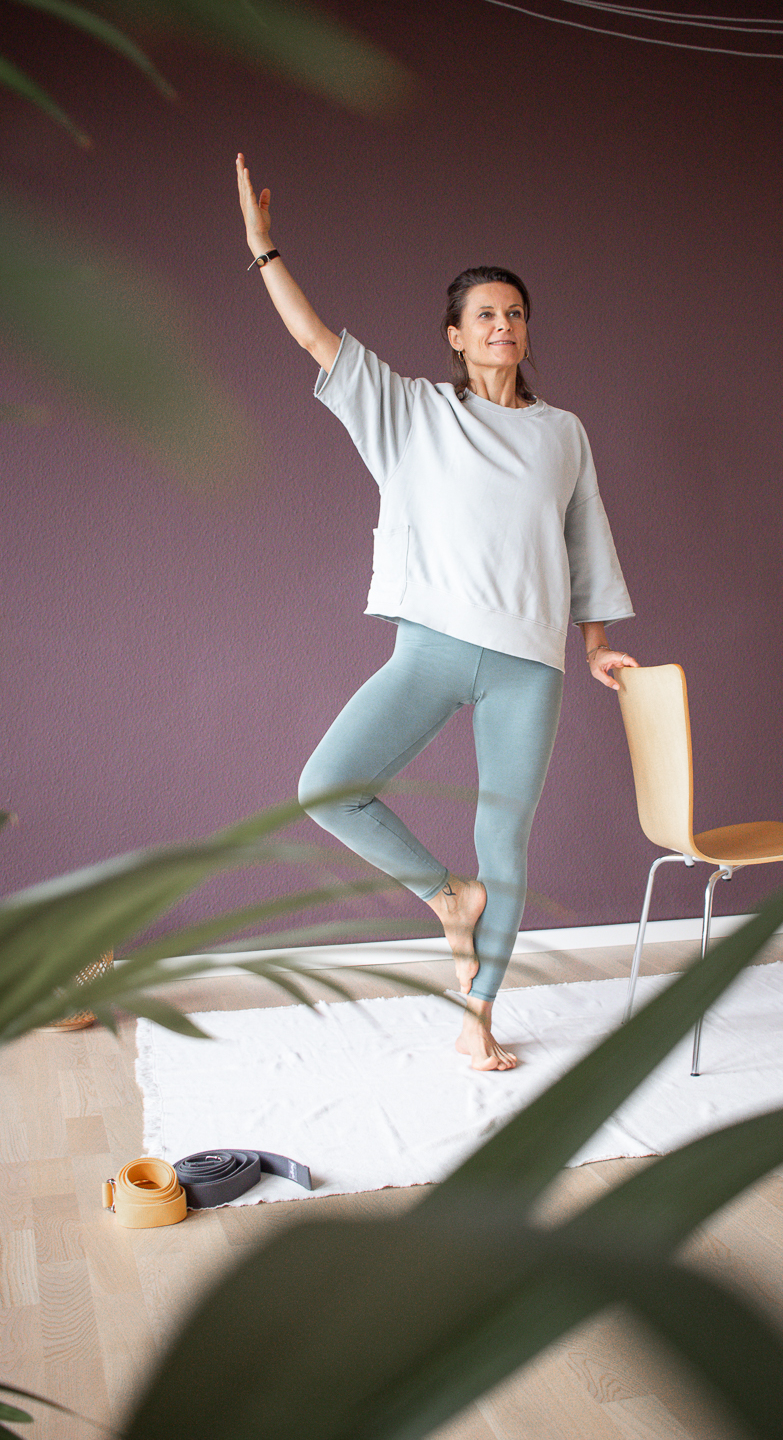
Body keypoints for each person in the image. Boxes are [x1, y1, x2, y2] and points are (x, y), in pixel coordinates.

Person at [236, 152, 637, 1070]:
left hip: (528, 666)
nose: (504, 326)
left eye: (515, 314)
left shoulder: (563, 433)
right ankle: (446, 896)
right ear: (455, 335)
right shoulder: (410, 413)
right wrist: (264, 249)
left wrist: (597, 645)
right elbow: (314, 338)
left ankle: (478, 1018)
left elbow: (586, 540)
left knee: (505, 841)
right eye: (485, 315)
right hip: (432, 650)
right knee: (328, 787)